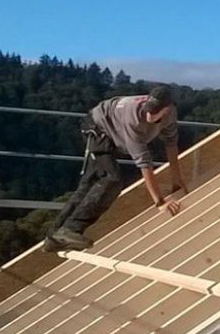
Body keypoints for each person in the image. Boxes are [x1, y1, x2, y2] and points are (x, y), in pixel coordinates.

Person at [45, 86, 187, 252]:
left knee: (90, 184)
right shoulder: (133, 117)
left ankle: (53, 237)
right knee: (111, 179)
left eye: (154, 112)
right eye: (148, 109)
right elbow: (144, 162)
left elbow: (171, 144)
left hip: (112, 132)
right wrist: (159, 202)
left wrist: (176, 180)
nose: (149, 115)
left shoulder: (170, 115)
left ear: (167, 109)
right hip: (98, 127)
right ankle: (68, 230)